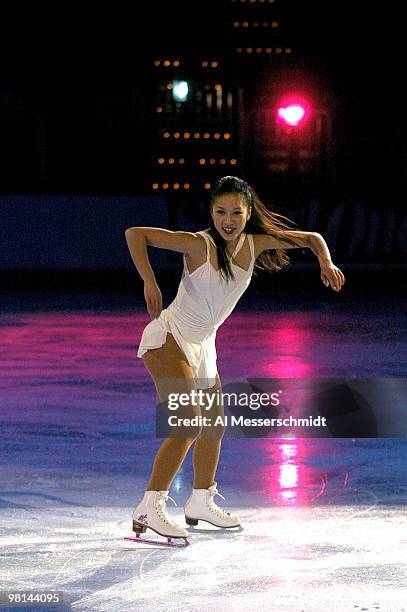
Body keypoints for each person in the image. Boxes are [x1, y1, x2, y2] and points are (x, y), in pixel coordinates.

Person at [124, 176, 345, 542]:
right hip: (170, 339)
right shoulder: (198, 245)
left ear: (248, 214)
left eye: (236, 213)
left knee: (214, 425)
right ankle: (150, 506)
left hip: (203, 345)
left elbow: (311, 238)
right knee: (188, 424)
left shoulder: (255, 244)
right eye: (221, 211)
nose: (228, 220)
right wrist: (149, 281)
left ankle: (200, 500)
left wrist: (326, 261)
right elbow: (136, 233)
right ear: (211, 212)